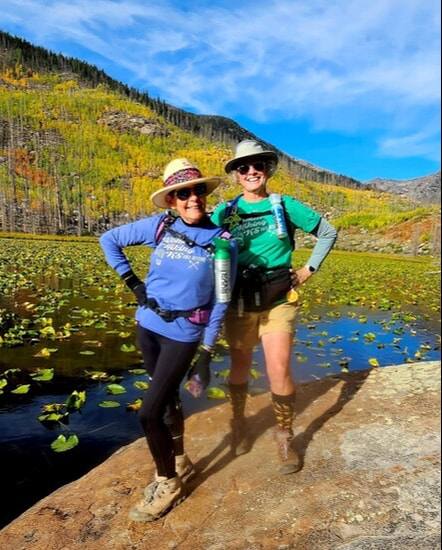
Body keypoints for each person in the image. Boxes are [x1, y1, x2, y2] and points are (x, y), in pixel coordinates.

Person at [100, 158, 237, 522]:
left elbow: (221, 300)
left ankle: (168, 482)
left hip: (184, 334)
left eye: (198, 191)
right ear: (172, 201)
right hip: (147, 326)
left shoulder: (223, 243)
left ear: (205, 195)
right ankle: (179, 459)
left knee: (148, 413)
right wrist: (133, 283)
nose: (193, 198)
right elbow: (109, 240)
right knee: (166, 401)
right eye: (182, 193)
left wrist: (206, 354)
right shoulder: (160, 226)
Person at [211, 139, 337, 474]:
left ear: (267, 171)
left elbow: (327, 232)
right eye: (244, 168)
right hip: (239, 300)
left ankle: (285, 437)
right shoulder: (224, 212)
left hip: (278, 299)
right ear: (236, 175)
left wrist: (308, 269)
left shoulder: (285, 206)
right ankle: (239, 423)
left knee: (278, 369)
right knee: (239, 368)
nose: (251, 172)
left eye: (258, 166)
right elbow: (204, 246)